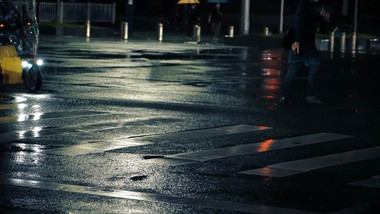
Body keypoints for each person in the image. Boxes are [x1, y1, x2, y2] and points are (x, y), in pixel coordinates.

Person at [280, 0, 330, 104]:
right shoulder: (305, 6)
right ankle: (304, 95)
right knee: (310, 65)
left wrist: (324, 19)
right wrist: (297, 43)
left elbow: (320, 27)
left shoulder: (307, 6)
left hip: (301, 42)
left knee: (296, 66)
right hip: (301, 42)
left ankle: (287, 96)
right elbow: (300, 24)